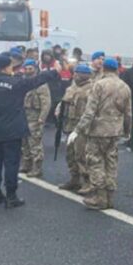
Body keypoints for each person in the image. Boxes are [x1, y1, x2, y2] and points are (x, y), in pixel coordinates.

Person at [0, 54, 59, 207]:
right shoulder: (15, 83)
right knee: (11, 163)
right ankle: (11, 196)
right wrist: (55, 72)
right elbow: (35, 81)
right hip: (12, 130)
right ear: (7, 67)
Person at [69, 57, 131, 210]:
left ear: (104, 69)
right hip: (115, 131)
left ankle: (100, 197)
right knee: (111, 163)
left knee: (96, 162)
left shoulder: (99, 85)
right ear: (117, 69)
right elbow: (128, 113)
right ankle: (110, 197)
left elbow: (90, 112)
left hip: (98, 130)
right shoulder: (125, 87)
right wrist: (127, 131)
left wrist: (78, 130)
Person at [57, 64, 95, 193]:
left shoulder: (92, 89)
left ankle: (88, 182)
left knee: (81, 154)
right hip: (69, 124)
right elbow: (63, 103)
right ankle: (74, 179)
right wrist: (59, 111)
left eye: (77, 74)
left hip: (82, 126)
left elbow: (92, 110)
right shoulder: (71, 88)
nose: (75, 76)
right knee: (70, 154)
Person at [20, 59, 53, 178]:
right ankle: (26, 164)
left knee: (35, 143)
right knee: (24, 143)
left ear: (35, 69)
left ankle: (37, 168)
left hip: (35, 117)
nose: (28, 71)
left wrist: (42, 118)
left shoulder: (41, 84)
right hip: (24, 115)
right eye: (26, 68)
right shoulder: (22, 82)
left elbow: (46, 103)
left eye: (30, 68)